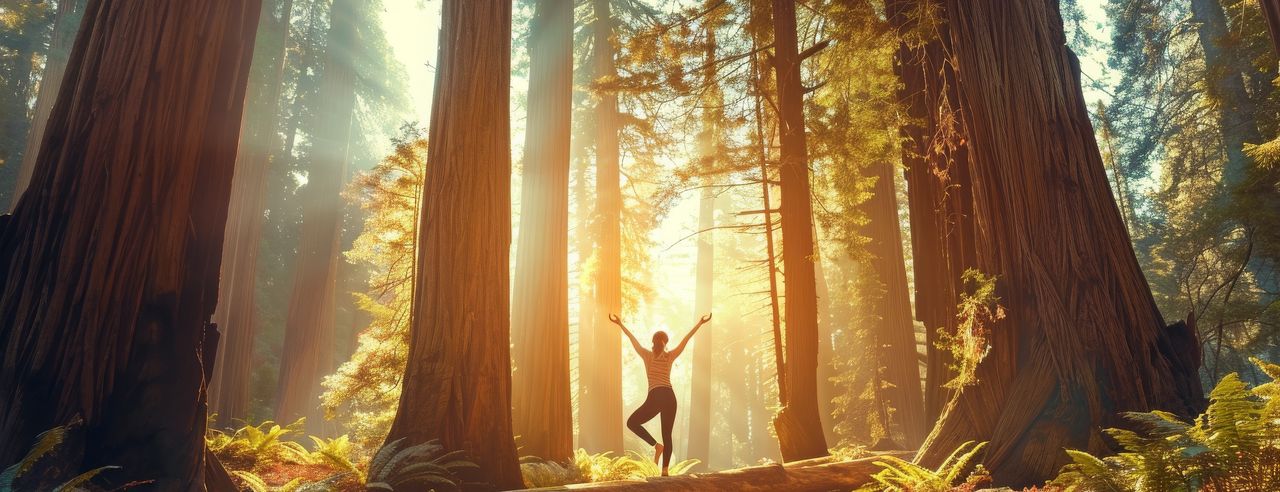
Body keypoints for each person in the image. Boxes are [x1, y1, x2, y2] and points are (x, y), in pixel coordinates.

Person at [606, 312, 712, 476]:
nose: (660, 343)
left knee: (643, 426)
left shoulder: (658, 356)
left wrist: (699, 324)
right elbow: (634, 340)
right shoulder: (657, 355)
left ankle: (661, 459)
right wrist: (620, 324)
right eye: (660, 341)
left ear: (659, 343)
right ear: (659, 343)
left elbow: (684, 340)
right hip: (664, 396)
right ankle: (661, 458)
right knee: (649, 428)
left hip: (661, 395)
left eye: (660, 341)